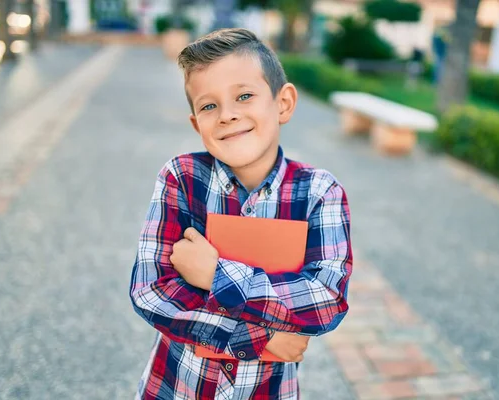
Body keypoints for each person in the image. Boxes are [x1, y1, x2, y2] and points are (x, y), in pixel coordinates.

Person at [129, 28, 353, 400]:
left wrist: (214, 275)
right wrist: (262, 337)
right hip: (176, 388)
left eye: (244, 96)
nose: (228, 116)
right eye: (208, 106)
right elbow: (152, 291)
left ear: (283, 103)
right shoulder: (182, 179)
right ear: (196, 123)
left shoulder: (319, 192)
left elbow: (325, 300)